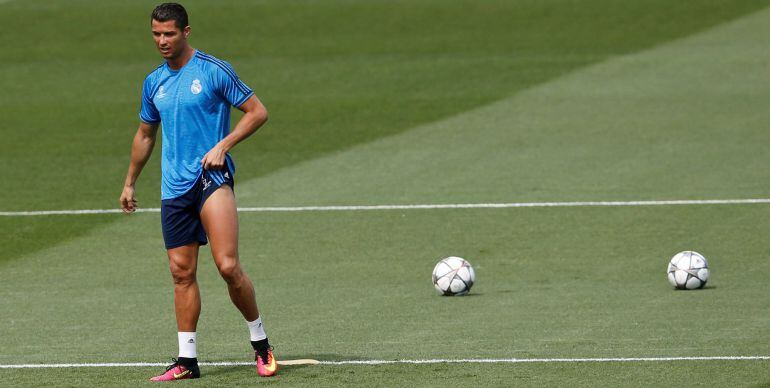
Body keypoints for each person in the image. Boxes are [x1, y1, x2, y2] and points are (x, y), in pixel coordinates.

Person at [119, 2, 275, 381]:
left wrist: (225, 144)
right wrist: (129, 182)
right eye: (156, 34)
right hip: (173, 187)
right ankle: (187, 361)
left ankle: (261, 343)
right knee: (180, 273)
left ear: (186, 32)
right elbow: (145, 134)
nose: (162, 41)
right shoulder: (153, 82)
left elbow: (257, 111)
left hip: (211, 179)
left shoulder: (213, 70)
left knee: (227, 266)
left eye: (169, 34)